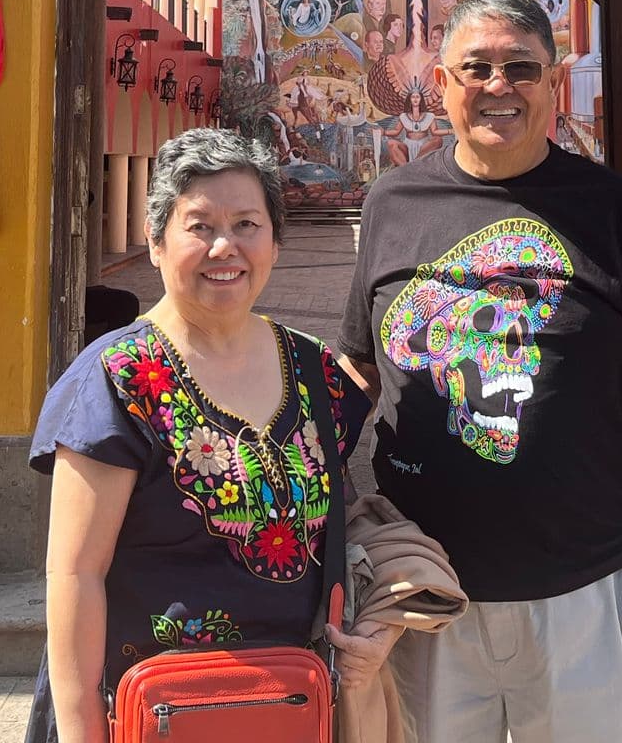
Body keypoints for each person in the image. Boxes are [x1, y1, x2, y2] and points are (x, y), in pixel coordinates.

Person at [338, 0, 622, 743]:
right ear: (441, 83)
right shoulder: (391, 202)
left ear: (552, 83)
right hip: (424, 597)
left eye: (521, 67)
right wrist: (347, 528)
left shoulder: (614, 211)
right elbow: (359, 369)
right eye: (475, 67)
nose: (497, 85)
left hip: (588, 592)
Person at [25, 128, 394, 742]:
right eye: (199, 226)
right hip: (153, 713)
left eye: (247, 224)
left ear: (275, 241)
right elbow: (75, 575)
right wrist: (80, 730)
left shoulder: (316, 372)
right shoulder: (118, 379)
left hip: (290, 707)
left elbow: (343, 527)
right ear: (156, 242)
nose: (226, 246)